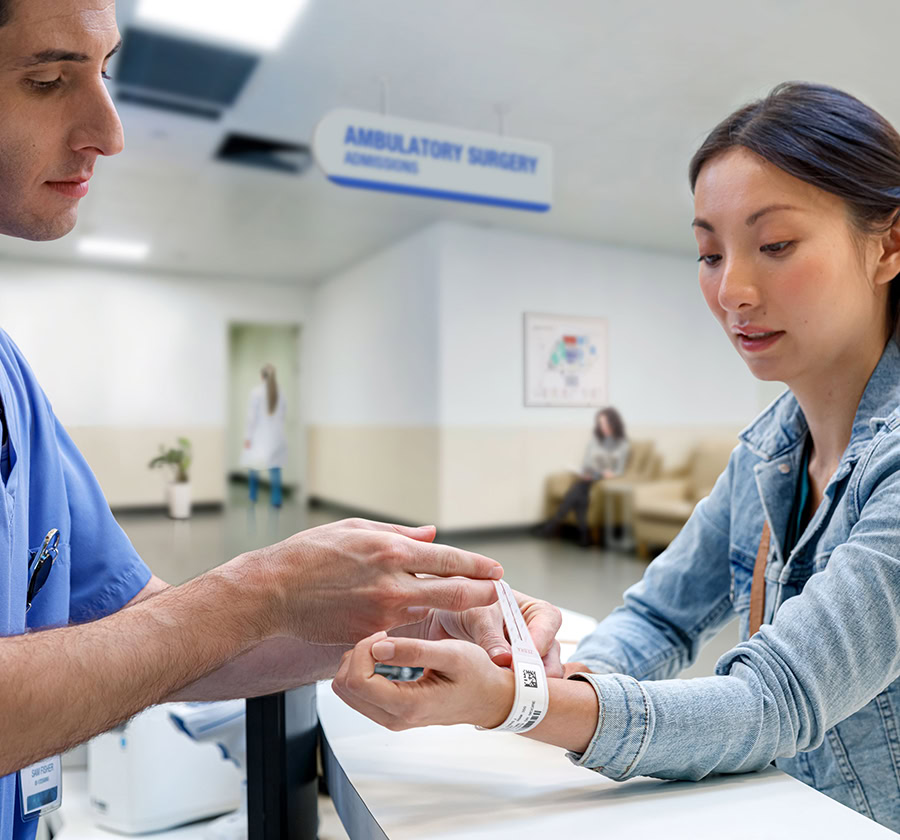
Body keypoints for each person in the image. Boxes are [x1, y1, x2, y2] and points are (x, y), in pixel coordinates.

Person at [0, 3, 563, 838]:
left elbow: (138, 635)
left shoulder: (9, 377)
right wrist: (258, 589)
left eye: (104, 72)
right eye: (47, 80)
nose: (109, 132)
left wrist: (380, 611)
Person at [333, 81, 900, 832]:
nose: (732, 289)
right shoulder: (767, 452)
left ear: (888, 244)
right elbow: (659, 620)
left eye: (775, 245)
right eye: (708, 252)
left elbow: (774, 701)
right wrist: (543, 669)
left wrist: (520, 704)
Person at [538, 406, 630, 546]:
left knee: (577, 491)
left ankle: (553, 526)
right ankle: (583, 535)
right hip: (590, 475)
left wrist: (608, 474)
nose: (603, 427)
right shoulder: (595, 441)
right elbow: (587, 462)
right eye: (600, 423)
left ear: (614, 423)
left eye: (605, 423)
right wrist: (587, 472)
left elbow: (619, 470)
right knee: (580, 494)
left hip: (604, 479)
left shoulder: (622, 444)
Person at [241, 364, 287, 507]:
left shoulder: (256, 393)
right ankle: (276, 499)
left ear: (262, 376)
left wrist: (248, 437)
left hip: (259, 436)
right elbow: (282, 415)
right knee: (275, 469)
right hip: (277, 436)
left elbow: (251, 418)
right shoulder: (281, 392)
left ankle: (253, 496)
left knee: (254, 466)